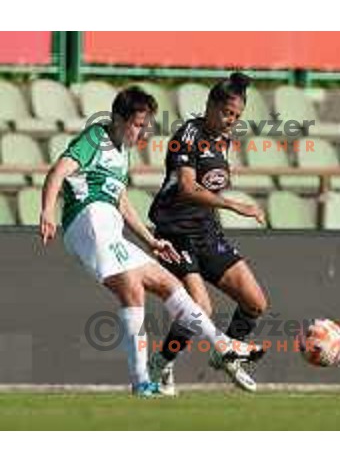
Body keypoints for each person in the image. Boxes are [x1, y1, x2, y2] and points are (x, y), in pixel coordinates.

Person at [40, 86, 263, 397]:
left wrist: (150, 241)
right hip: (89, 221)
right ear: (118, 119)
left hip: (108, 226)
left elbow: (121, 201)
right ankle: (144, 378)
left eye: (146, 126)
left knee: (168, 284)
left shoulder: (122, 152)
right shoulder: (95, 138)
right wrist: (48, 210)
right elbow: (58, 172)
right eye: (137, 124)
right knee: (133, 288)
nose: (142, 132)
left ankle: (211, 348)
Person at [147, 72, 269, 394]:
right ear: (210, 106)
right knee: (201, 308)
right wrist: (233, 205)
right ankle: (162, 363)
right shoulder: (187, 134)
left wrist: (219, 210)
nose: (231, 120)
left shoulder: (223, 141)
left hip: (207, 232)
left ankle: (228, 358)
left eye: (237, 116)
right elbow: (187, 188)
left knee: (255, 303)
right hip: (175, 234)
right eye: (227, 113)